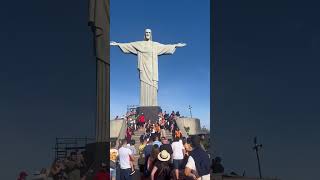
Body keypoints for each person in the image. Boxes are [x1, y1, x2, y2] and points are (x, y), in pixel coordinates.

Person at [110, 29, 186, 106]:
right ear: (144, 34)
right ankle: (144, 104)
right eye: (146, 32)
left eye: (149, 32)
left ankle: (153, 104)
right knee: (144, 84)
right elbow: (130, 45)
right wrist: (117, 44)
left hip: (153, 69)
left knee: (153, 85)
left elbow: (165, 47)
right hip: (144, 67)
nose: (147, 33)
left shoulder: (155, 45)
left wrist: (175, 45)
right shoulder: (140, 44)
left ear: (151, 34)